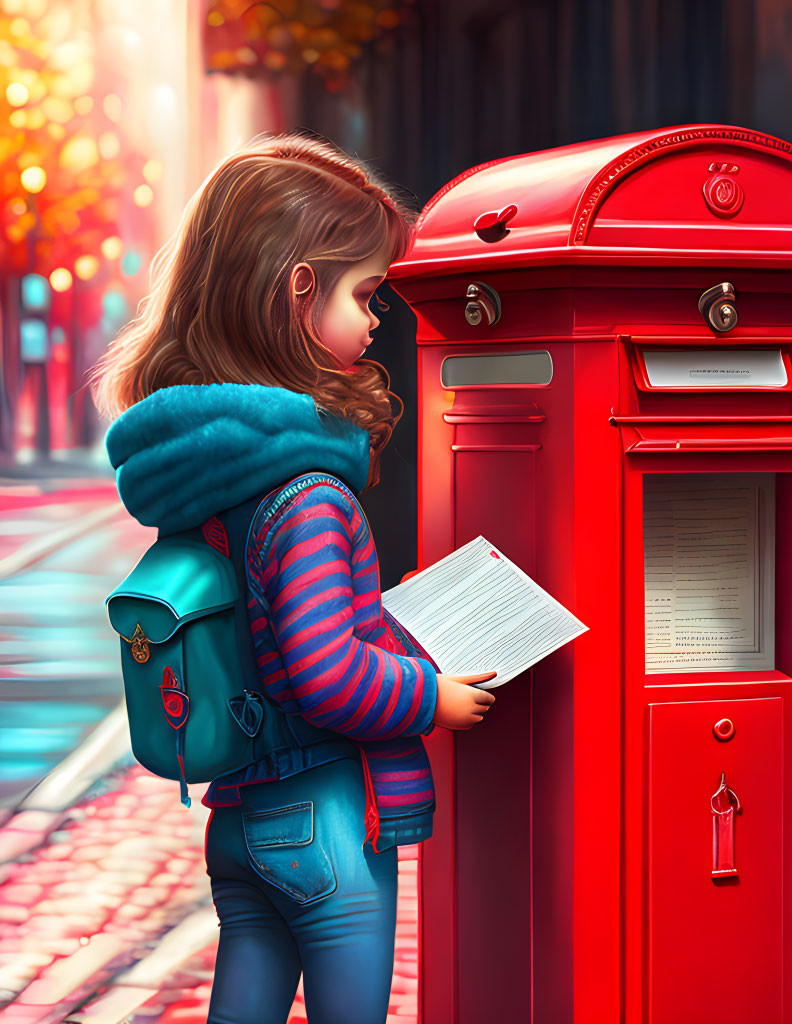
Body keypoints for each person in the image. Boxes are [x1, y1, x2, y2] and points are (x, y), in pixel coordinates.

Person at [88, 131, 497, 1024]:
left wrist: (385, 613)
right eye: (364, 292)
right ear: (299, 290)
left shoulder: (209, 480)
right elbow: (325, 672)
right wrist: (434, 699)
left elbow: (266, 623)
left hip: (237, 812)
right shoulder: (309, 491)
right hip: (324, 815)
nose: (379, 317)